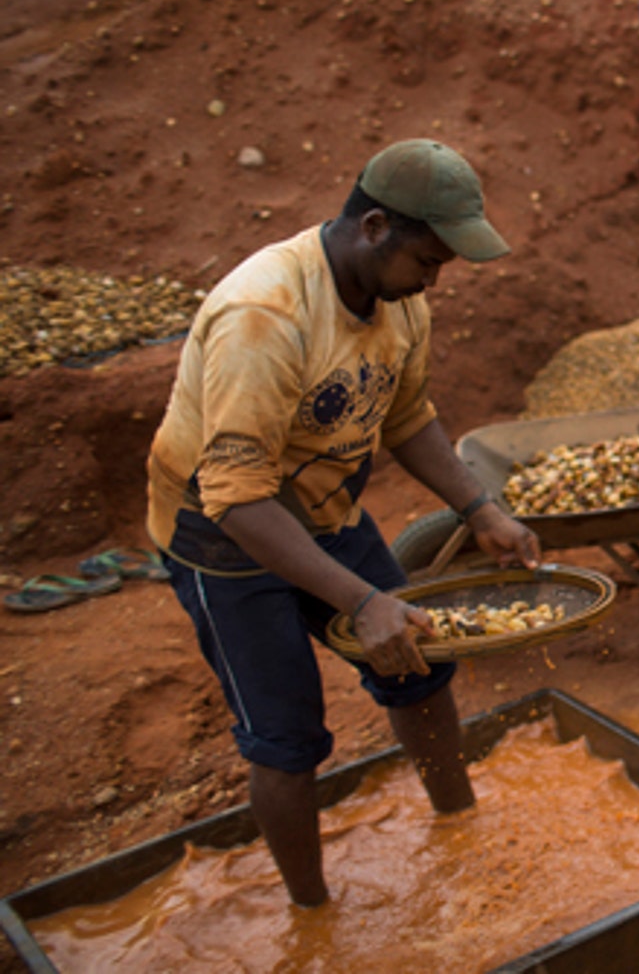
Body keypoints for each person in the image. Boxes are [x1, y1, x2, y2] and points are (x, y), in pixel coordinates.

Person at [146, 139, 543, 907]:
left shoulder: (399, 304)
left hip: (325, 507)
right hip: (224, 536)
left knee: (418, 666)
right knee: (286, 737)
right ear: (373, 227)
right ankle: (312, 912)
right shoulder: (264, 316)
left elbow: (407, 416)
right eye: (427, 260)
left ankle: (459, 826)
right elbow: (237, 498)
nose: (434, 280)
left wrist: (479, 506)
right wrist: (362, 601)